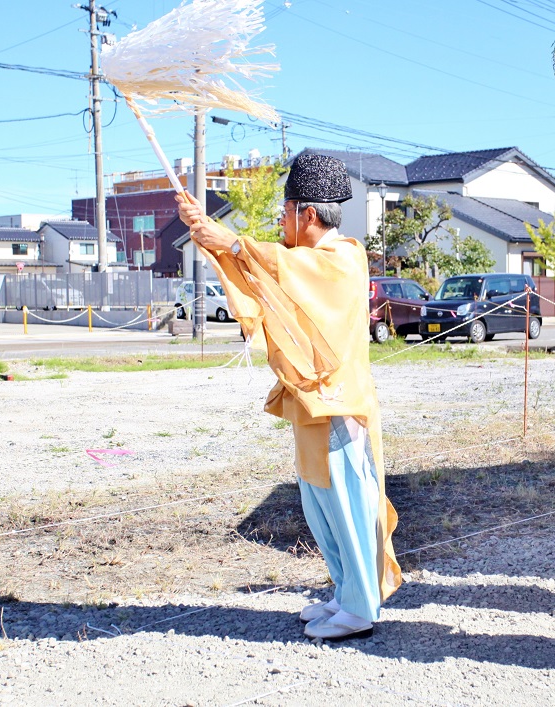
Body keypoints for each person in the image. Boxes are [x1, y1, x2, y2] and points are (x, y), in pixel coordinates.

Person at [178, 153, 402, 641]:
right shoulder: (305, 258)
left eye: (285, 211)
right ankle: (345, 594)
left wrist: (231, 241)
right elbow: (265, 276)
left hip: (339, 401)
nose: (280, 220)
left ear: (309, 214)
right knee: (321, 503)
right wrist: (208, 235)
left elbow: (280, 266)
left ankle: (362, 607)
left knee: (347, 502)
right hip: (311, 396)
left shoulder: (344, 255)